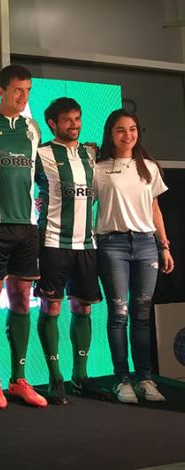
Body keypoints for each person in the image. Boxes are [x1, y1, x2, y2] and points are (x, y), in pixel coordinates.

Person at [0, 64, 47, 409]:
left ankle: (18, 378)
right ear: (0, 90)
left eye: (28, 90)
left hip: (26, 227)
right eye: (17, 89)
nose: (23, 96)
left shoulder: (33, 128)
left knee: (21, 299)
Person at [94, 109, 174, 403]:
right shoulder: (98, 168)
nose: (127, 135)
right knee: (119, 314)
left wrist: (164, 245)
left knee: (141, 314)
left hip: (146, 245)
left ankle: (145, 378)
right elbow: (82, 203)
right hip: (111, 245)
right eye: (120, 130)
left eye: (132, 129)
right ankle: (122, 380)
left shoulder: (149, 167)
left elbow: (155, 209)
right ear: (110, 134)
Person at [34, 97, 111, 405]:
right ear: (52, 123)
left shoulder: (91, 153)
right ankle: (55, 377)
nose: (74, 125)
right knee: (51, 308)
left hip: (86, 244)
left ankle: (81, 376)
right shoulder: (40, 153)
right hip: (53, 242)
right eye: (67, 120)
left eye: (77, 119)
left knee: (83, 308)